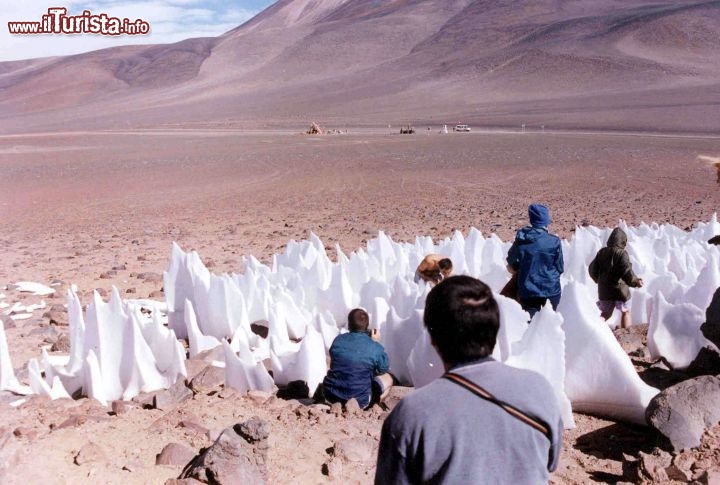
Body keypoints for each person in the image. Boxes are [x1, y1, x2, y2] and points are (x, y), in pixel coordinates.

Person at [375, 276, 562, 484]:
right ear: (495, 329)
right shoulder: (540, 391)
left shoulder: (413, 414)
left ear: (432, 340)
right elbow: (549, 463)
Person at [322, 308, 393, 409]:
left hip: (331, 396)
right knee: (388, 378)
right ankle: (373, 404)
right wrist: (375, 342)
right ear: (367, 326)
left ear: (349, 324)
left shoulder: (338, 340)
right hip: (360, 401)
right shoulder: (373, 346)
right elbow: (384, 368)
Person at [506, 203, 564, 317]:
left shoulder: (522, 239)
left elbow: (511, 261)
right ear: (546, 220)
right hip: (551, 289)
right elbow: (560, 267)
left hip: (528, 289)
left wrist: (521, 269)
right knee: (554, 322)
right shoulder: (554, 241)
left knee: (531, 324)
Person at [589, 227, 644, 328]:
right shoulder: (622, 253)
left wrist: (599, 280)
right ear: (623, 241)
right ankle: (626, 336)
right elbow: (626, 271)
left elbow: (592, 269)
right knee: (626, 312)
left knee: (606, 314)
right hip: (620, 290)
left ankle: (594, 328)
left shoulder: (601, 252)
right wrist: (635, 281)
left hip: (604, 290)